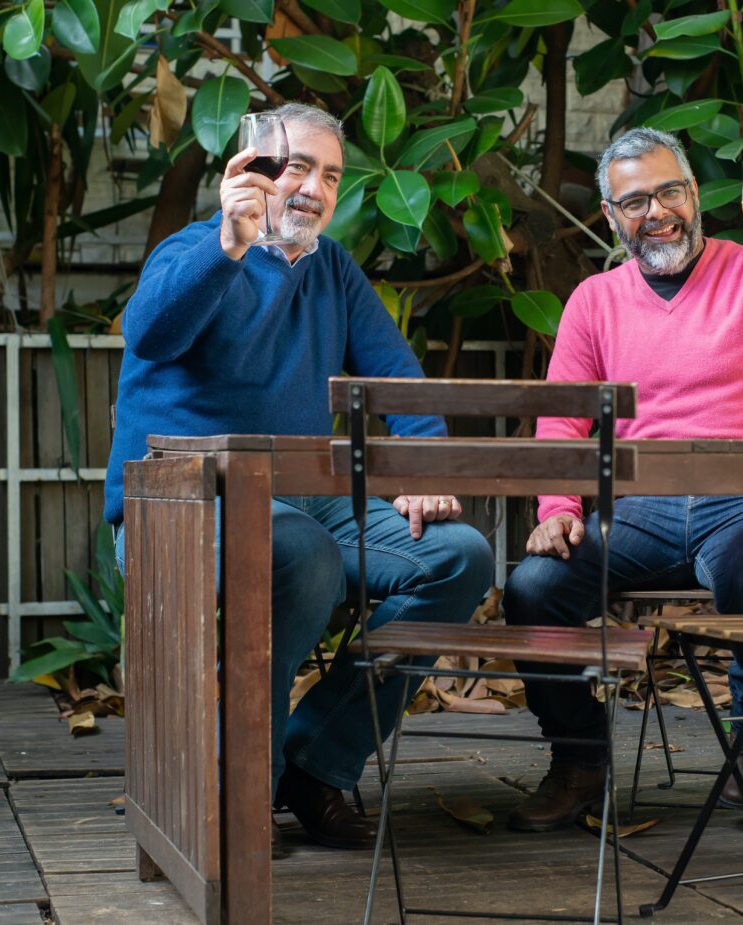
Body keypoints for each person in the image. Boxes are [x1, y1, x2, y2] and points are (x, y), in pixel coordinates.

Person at [105, 103, 494, 853]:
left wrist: (422, 465)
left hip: (309, 500)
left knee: (460, 557)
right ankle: (233, 784)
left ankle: (315, 762)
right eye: (298, 167)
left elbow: (400, 383)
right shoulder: (192, 251)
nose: (315, 187)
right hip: (181, 505)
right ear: (252, 170)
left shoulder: (332, 269)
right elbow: (150, 332)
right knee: (297, 550)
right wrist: (228, 243)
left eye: (332, 174)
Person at [503, 127, 743, 832]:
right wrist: (558, 505)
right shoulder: (594, 299)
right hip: (638, 513)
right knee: (533, 587)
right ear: (611, 217)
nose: (657, 211)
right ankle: (580, 754)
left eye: (670, 190)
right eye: (635, 200)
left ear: (696, 194)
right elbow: (564, 420)